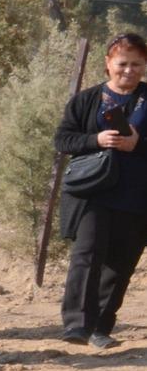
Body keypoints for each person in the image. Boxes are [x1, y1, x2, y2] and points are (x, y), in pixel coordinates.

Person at [54, 32, 147, 349]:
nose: (129, 70)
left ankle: (101, 328)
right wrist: (97, 140)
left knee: (121, 265)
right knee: (87, 255)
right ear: (108, 64)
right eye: (123, 63)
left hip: (137, 197)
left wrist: (139, 144)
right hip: (92, 193)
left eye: (137, 64)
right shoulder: (85, 100)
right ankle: (77, 325)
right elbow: (63, 140)